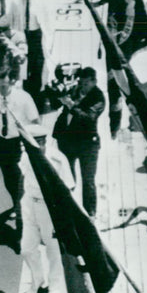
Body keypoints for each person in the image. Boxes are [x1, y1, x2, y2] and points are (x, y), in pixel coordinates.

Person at [0, 66, 41, 225]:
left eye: (4, 86)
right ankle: (15, 204)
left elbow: (36, 122)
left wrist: (37, 147)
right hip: (0, 142)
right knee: (7, 176)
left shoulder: (24, 98)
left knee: (18, 178)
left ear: (12, 82)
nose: (1, 89)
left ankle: (22, 213)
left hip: (17, 143)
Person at [19, 124, 65, 293]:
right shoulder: (25, 158)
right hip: (30, 205)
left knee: (53, 250)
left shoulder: (57, 159)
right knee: (27, 249)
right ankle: (37, 281)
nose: (36, 146)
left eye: (39, 142)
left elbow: (68, 186)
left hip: (49, 208)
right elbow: (22, 181)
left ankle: (54, 285)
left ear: (45, 141)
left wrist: (60, 215)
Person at [52, 66, 106, 218]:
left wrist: (70, 104)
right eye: (81, 83)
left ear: (94, 82)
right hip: (67, 140)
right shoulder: (74, 89)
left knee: (88, 180)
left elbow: (88, 119)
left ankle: (90, 214)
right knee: (66, 176)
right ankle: (68, 208)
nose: (83, 87)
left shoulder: (99, 98)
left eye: (86, 84)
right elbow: (55, 103)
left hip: (88, 144)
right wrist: (58, 94)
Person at [7, 0, 48, 111]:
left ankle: (36, 98)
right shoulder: (15, 2)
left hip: (35, 36)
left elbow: (46, 21)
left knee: (37, 66)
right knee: (23, 66)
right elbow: (11, 20)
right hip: (22, 35)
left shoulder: (40, 2)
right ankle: (24, 97)